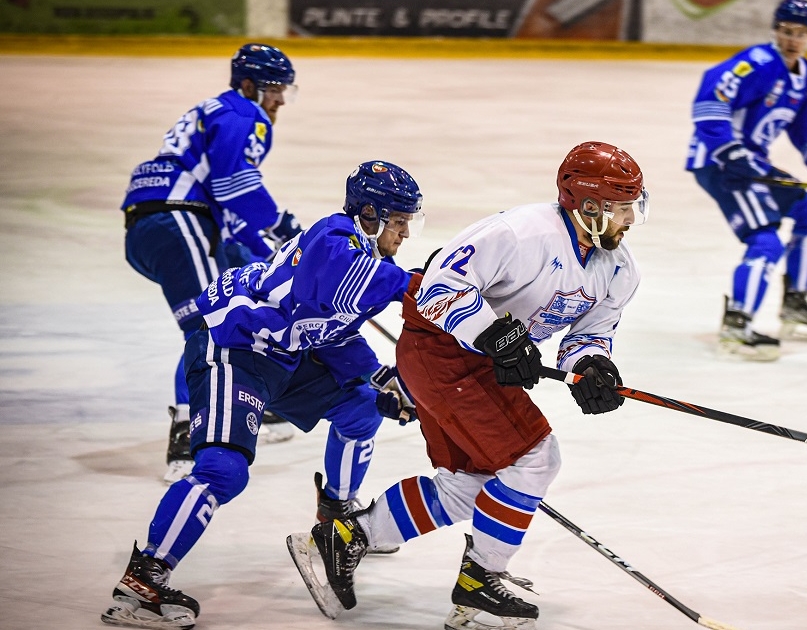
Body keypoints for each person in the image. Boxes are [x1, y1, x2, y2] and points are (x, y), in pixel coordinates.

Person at [288, 141, 647, 630]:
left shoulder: (620, 269)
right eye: (621, 208)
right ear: (586, 206)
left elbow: (589, 333)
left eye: (633, 207)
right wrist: (495, 336)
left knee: (473, 483)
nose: (629, 220)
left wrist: (593, 367)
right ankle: (480, 581)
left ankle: (348, 537)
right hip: (441, 353)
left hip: (473, 364)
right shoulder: (519, 234)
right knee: (536, 458)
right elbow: (439, 284)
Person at [101, 161, 425, 630]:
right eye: (399, 221)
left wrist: (378, 377)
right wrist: (414, 285)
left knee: (362, 409)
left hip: (283, 358)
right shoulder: (333, 240)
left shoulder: (366, 261)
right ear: (370, 214)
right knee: (223, 470)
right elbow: (333, 283)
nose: (406, 234)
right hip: (234, 349)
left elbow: (328, 329)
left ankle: (337, 521)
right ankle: (144, 580)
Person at [121, 43, 304, 485]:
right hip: (176, 215)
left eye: (285, 89)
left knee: (233, 296)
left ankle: (251, 404)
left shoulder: (221, 111)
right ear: (248, 85)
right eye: (273, 88)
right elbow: (234, 185)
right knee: (208, 324)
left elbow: (228, 209)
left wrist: (273, 258)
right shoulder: (244, 114)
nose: (280, 99)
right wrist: (282, 225)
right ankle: (189, 426)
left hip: (161, 222)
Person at [686, 0, 807, 361]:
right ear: (775, 31)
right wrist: (729, 151)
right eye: (786, 31)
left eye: (800, 33)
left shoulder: (806, 78)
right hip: (721, 164)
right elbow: (710, 97)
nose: (792, 39)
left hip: (753, 165)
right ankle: (737, 324)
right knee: (765, 241)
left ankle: (795, 303)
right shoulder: (759, 63)